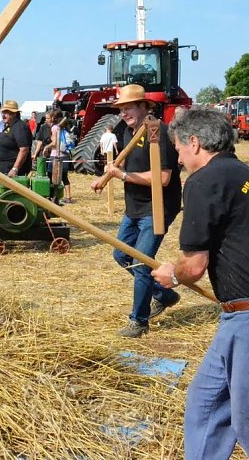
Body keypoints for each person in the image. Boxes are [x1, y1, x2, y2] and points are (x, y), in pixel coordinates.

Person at [151, 108, 249, 459]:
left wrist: (170, 274)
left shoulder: (204, 182)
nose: (177, 156)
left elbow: (194, 265)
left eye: (178, 148)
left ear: (194, 142)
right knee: (206, 401)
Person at [90, 84, 181, 337]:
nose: (124, 113)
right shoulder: (129, 132)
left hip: (157, 207)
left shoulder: (156, 131)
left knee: (141, 263)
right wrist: (103, 179)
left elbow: (163, 178)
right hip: (135, 208)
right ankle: (164, 294)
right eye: (121, 109)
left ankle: (138, 321)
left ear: (144, 106)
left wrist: (124, 175)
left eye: (129, 107)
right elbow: (118, 166)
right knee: (121, 255)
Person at [0, 100, 32, 177]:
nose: (3, 115)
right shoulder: (10, 126)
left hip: (13, 174)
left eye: (6, 113)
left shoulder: (20, 127)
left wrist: (15, 169)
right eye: (3, 112)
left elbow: (24, 150)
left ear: (14, 114)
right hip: (4, 171)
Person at [45, 111, 73, 203]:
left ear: (53, 118)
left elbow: (54, 143)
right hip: (64, 155)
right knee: (64, 177)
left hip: (55, 155)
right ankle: (68, 197)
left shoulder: (54, 128)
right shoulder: (62, 127)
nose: (46, 120)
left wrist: (46, 147)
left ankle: (53, 196)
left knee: (50, 176)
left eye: (48, 118)